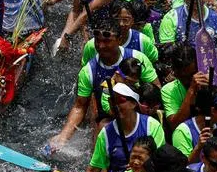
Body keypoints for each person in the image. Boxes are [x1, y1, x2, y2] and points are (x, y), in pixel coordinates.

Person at [49, 18, 159, 150]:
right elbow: (80, 106)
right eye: (97, 41)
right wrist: (63, 136)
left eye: (106, 41)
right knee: (103, 126)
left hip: (140, 113)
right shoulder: (88, 71)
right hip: (111, 116)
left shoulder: (138, 59)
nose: (100, 46)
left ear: (119, 40)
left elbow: (156, 89)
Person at [70, 83, 166, 172]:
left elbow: (161, 165)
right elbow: (93, 170)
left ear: (133, 104)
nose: (114, 104)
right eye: (111, 100)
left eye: (119, 100)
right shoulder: (106, 134)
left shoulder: (152, 126)